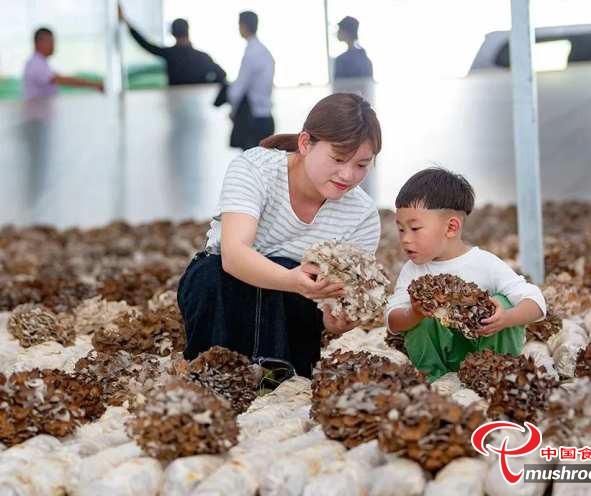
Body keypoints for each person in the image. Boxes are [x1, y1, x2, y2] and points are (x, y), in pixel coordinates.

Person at [177, 93, 382, 378]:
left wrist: (336, 318)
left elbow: (335, 305)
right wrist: (291, 280)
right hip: (223, 288)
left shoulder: (362, 214)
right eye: (338, 158)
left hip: (294, 307)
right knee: (216, 273)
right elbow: (233, 255)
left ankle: (278, 377)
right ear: (305, 143)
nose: (347, 175)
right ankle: (218, 373)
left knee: (300, 281)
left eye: (361, 165)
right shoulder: (255, 167)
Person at [385, 168, 547, 382]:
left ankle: (497, 374)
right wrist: (413, 313)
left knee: (504, 302)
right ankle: (432, 378)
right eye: (401, 229)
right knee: (418, 313)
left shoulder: (485, 264)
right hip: (440, 360)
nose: (405, 239)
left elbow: (537, 303)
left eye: (414, 228)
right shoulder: (413, 270)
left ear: (451, 227)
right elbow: (392, 320)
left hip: (487, 354)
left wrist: (506, 318)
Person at [118, 7, 226, 86]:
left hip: (176, 106)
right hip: (198, 108)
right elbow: (221, 75)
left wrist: (126, 21)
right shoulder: (203, 57)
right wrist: (203, 86)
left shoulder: (170, 54)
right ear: (188, 32)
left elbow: (146, 45)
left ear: (172, 33)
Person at [224, 11, 275, 150]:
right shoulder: (264, 51)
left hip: (253, 121)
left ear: (243, 26)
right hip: (266, 117)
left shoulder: (251, 53)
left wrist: (233, 110)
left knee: (251, 168)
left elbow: (238, 89)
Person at [22, 27, 103, 100]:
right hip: (37, 112)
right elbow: (61, 80)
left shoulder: (39, 62)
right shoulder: (36, 64)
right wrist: (94, 84)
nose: (53, 45)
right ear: (39, 43)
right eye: (50, 41)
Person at [334, 16, 373, 80]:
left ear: (346, 32)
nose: (337, 32)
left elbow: (338, 86)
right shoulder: (364, 58)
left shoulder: (341, 60)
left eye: (339, 29)